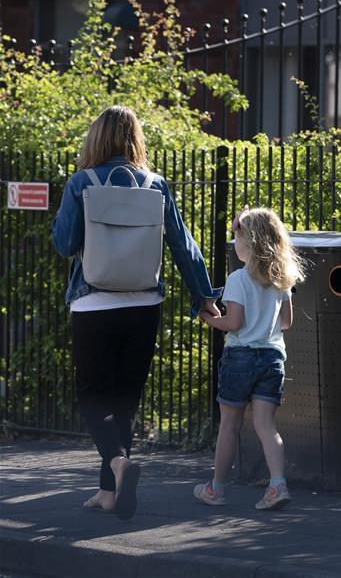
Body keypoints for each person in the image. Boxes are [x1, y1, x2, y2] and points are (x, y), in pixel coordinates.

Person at [52, 105, 221, 520]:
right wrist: (203, 296)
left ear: (96, 138)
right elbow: (184, 246)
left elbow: (63, 243)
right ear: (135, 140)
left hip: (94, 300)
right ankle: (109, 493)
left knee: (94, 394)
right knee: (125, 400)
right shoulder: (155, 185)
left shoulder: (81, 182)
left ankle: (118, 463)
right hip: (145, 303)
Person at [195, 206, 304, 510]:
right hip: (272, 358)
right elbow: (285, 323)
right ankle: (277, 485)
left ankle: (215, 489)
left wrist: (207, 317)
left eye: (236, 235)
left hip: (240, 357)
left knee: (229, 425)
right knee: (266, 426)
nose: (234, 242)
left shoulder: (238, 280)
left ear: (250, 241)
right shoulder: (281, 281)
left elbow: (233, 324)